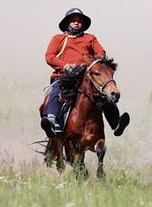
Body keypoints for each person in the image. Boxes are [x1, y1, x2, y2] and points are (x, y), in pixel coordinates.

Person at [41, 8, 130, 138]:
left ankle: (116, 123)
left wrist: (90, 63)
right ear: (67, 23)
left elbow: (101, 53)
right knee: (56, 90)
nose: (76, 23)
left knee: (103, 93)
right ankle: (51, 121)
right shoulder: (58, 39)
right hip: (64, 75)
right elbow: (49, 56)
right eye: (73, 21)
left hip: (86, 75)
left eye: (79, 21)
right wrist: (65, 66)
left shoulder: (90, 38)